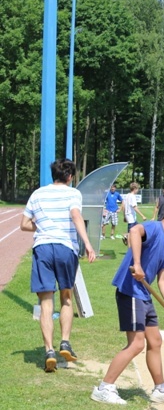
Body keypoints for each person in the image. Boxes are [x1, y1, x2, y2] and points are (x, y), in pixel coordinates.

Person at [90, 198, 164, 407]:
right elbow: (134, 231)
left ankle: (160, 389)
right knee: (137, 344)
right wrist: (136, 263)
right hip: (130, 291)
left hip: (144, 294)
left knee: (155, 341)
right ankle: (104, 388)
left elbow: (163, 280)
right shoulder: (154, 228)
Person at [20, 158, 97, 372]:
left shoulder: (38, 193)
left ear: (53, 174)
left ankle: (49, 351)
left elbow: (24, 224)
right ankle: (64, 342)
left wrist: (44, 226)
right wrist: (88, 245)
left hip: (43, 247)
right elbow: (75, 215)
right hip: (65, 248)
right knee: (66, 297)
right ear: (70, 177)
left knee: (46, 302)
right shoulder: (73, 194)